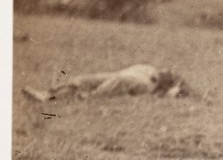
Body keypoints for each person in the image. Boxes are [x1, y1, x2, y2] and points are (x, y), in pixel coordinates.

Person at [22, 64, 189, 101]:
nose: (169, 71)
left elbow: (171, 92)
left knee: (113, 83)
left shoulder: (162, 84)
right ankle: (48, 94)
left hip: (132, 80)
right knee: (83, 80)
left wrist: (175, 86)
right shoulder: (148, 68)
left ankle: (51, 99)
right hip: (124, 74)